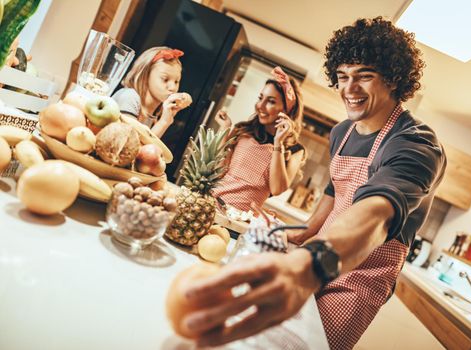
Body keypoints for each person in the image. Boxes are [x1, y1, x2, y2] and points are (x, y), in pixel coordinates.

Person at [175, 17, 446, 349]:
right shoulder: (342, 133)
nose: (350, 88)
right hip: (318, 250)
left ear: (393, 78)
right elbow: (336, 190)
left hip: (359, 279)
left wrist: (309, 265)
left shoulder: (415, 144)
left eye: (365, 76)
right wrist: (305, 232)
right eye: (343, 76)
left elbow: (377, 214)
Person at [212, 66, 306, 212]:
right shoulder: (242, 130)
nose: (260, 106)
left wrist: (278, 143)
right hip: (213, 206)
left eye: (271, 101)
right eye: (260, 98)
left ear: (287, 109)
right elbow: (217, 171)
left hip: (241, 220)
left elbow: (277, 189)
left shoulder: (295, 151)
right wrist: (224, 129)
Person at [112, 46, 191, 138]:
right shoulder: (129, 97)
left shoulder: (156, 111)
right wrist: (163, 122)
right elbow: (129, 145)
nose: (173, 87)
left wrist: (167, 120)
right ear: (145, 76)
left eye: (176, 81)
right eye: (165, 79)